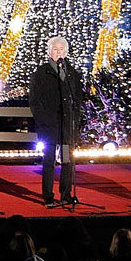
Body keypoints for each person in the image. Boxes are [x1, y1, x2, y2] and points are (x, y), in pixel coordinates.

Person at [29, 35, 84, 207]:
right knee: (49, 160)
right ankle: (48, 195)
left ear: (66, 52)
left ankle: (66, 194)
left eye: (61, 50)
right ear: (49, 52)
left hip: (67, 125)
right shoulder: (40, 73)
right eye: (55, 49)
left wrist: (75, 117)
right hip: (49, 125)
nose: (58, 53)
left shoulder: (71, 72)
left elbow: (78, 97)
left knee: (67, 160)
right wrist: (42, 120)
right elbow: (35, 101)